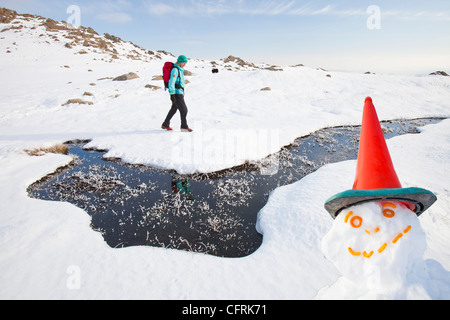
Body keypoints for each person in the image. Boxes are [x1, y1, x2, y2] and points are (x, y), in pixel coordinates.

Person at [161, 55, 193, 132]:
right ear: (179, 62)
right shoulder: (175, 70)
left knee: (174, 108)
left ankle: (165, 124)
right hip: (176, 93)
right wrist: (172, 94)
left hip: (179, 92)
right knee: (184, 110)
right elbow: (171, 82)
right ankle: (184, 126)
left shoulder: (179, 69)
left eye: (185, 62)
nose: (184, 64)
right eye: (183, 62)